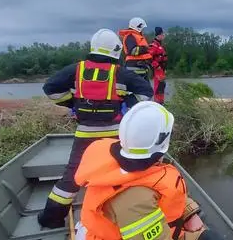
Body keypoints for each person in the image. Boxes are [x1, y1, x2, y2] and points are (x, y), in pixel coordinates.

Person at [38, 28, 154, 229]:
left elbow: (50, 89)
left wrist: (72, 102)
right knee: (121, 172)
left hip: (85, 133)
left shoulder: (76, 70)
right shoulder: (121, 73)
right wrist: (129, 102)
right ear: (116, 51)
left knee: (72, 177)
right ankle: (120, 211)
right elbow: (146, 93)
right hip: (115, 135)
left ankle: (51, 219)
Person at [74, 101, 223, 240]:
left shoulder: (137, 158)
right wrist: (197, 236)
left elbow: (169, 194)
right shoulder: (134, 199)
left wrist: (190, 213)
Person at [119, 17, 154, 82]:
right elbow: (133, 51)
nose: (142, 30)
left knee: (145, 90)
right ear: (138, 27)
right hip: (134, 67)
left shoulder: (137, 36)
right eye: (142, 28)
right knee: (139, 90)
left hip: (140, 67)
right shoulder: (130, 36)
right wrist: (146, 48)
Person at [149, 27, 168, 104]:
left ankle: (161, 103)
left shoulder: (160, 45)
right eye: (162, 34)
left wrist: (164, 68)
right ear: (159, 35)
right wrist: (157, 66)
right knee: (158, 87)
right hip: (157, 70)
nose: (164, 36)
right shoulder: (154, 45)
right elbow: (149, 57)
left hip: (162, 70)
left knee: (162, 86)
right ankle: (157, 103)